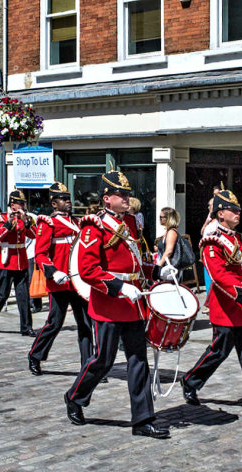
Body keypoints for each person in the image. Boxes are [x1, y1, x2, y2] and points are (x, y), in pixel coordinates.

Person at [64, 170, 177, 439]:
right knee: (103, 361)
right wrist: (119, 287)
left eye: (127, 194)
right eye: (121, 194)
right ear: (106, 199)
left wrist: (156, 272)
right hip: (108, 305)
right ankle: (75, 396)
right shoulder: (95, 226)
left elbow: (136, 263)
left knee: (138, 361)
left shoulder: (130, 223)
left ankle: (143, 419)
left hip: (134, 304)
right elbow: (88, 270)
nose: (127, 198)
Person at [180, 188, 242, 415]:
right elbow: (219, 276)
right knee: (219, 350)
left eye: (238, 210)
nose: (238, 213)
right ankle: (190, 381)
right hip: (226, 306)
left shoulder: (240, 238)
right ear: (219, 214)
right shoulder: (212, 241)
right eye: (232, 210)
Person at [27, 182, 94, 375]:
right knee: (55, 323)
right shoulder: (48, 223)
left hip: (77, 281)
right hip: (59, 281)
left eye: (68, 198)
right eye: (63, 199)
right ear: (54, 204)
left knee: (85, 324)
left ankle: (88, 366)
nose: (68, 202)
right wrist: (54, 272)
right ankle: (35, 355)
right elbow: (40, 254)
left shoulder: (76, 223)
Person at [0, 190, 37, 336]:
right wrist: (9, 222)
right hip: (6, 262)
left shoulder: (26, 219)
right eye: (21, 203)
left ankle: (26, 327)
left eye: (24, 203)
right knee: (2, 294)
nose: (23, 206)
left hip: (21, 262)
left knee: (23, 296)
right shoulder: (1, 218)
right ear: (13, 205)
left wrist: (26, 221)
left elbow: (34, 234)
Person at [155, 207, 182, 282]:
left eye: (161, 217)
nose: (159, 219)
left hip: (169, 270)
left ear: (168, 218)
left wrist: (159, 266)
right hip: (166, 268)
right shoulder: (167, 232)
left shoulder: (171, 232)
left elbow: (169, 251)